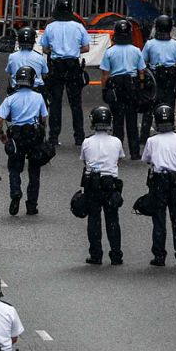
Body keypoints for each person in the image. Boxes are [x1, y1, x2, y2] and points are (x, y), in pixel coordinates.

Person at [141, 104, 176, 267]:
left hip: (159, 182)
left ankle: (159, 255)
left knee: (159, 220)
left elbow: (147, 159)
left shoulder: (152, 141)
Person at [0, 67, 49, 214]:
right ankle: (32, 205)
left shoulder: (10, 99)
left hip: (17, 137)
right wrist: (42, 132)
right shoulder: (38, 97)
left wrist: (2, 135)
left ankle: (15, 192)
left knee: (14, 168)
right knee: (34, 172)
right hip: (34, 137)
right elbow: (44, 118)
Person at [38, 0, 90, 145]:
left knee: (55, 102)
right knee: (76, 103)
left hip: (56, 66)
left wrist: (57, 50)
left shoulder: (50, 27)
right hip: (73, 65)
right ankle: (79, 136)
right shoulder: (78, 26)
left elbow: (45, 48)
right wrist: (73, 50)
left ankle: (54, 136)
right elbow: (86, 47)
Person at [79, 106, 124, 265]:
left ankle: (96, 254)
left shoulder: (87, 142)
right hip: (110, 184)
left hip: (93, 184)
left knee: (94, 219)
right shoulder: (116, 141)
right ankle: (116, 254)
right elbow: (118, 160)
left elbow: (85, 161)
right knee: (112, 219)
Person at [99, 20, 146, 159]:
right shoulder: (136, 50)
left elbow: (105, 75)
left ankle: (117, 152)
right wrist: (140, 88)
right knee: (132, 120)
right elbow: (142, 72)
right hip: (131, 86)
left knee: (118, 121)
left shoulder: (110, 52)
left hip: (116, 86)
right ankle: (135, 152)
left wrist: (104, 90)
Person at [141, 15, 176, 138]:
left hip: (154, 79)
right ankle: (169, 132)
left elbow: (143, 62)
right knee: (169, 105)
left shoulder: (150, 44)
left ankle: (144, 135)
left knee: (149, 108)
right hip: (170, 80)